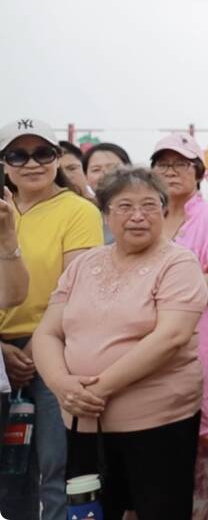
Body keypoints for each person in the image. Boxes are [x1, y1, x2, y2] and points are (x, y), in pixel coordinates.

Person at [31, 167, 207, 520]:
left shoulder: (178, 263)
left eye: (149, 205)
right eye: (125, 206)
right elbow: (47, 332)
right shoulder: (84, 264)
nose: (138, 216)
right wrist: (61, 384)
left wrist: (94, 391)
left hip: (157, 421)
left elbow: (171, 336)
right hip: (82, 421)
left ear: (165, 210)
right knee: (91, 511)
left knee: (160, 510)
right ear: (106, 214)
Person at [0, 118, 104, 520]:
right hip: (3, 354)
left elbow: (74, 290)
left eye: (42, 153)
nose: (32, 163)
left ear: (57, 158)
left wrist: (32, 348)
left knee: (53, 468)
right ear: (5, 163)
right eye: (18, 154)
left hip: (54, 351)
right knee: (10, 475)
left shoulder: (78, 210)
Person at [151, 132, 208, 520]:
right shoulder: (147, 219)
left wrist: (169, 275)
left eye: (181, 164)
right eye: (163, 164)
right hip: (150, 358)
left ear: (198, 173)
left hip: (201, 354)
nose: (171, 172)